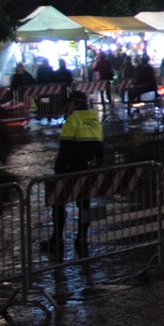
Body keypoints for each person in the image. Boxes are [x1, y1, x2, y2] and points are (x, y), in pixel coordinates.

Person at [52, 91, 107, 257]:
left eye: (69, 104)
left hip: (70, 171)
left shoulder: (73, 121)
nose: (66, 107)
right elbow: (100, 150)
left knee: (59, 204)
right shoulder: (94, 121)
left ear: (76, 105)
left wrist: (58, 170)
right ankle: (81, 238)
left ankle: (57, 239)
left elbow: (65, 149)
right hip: (88, 170)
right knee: (84, 205)